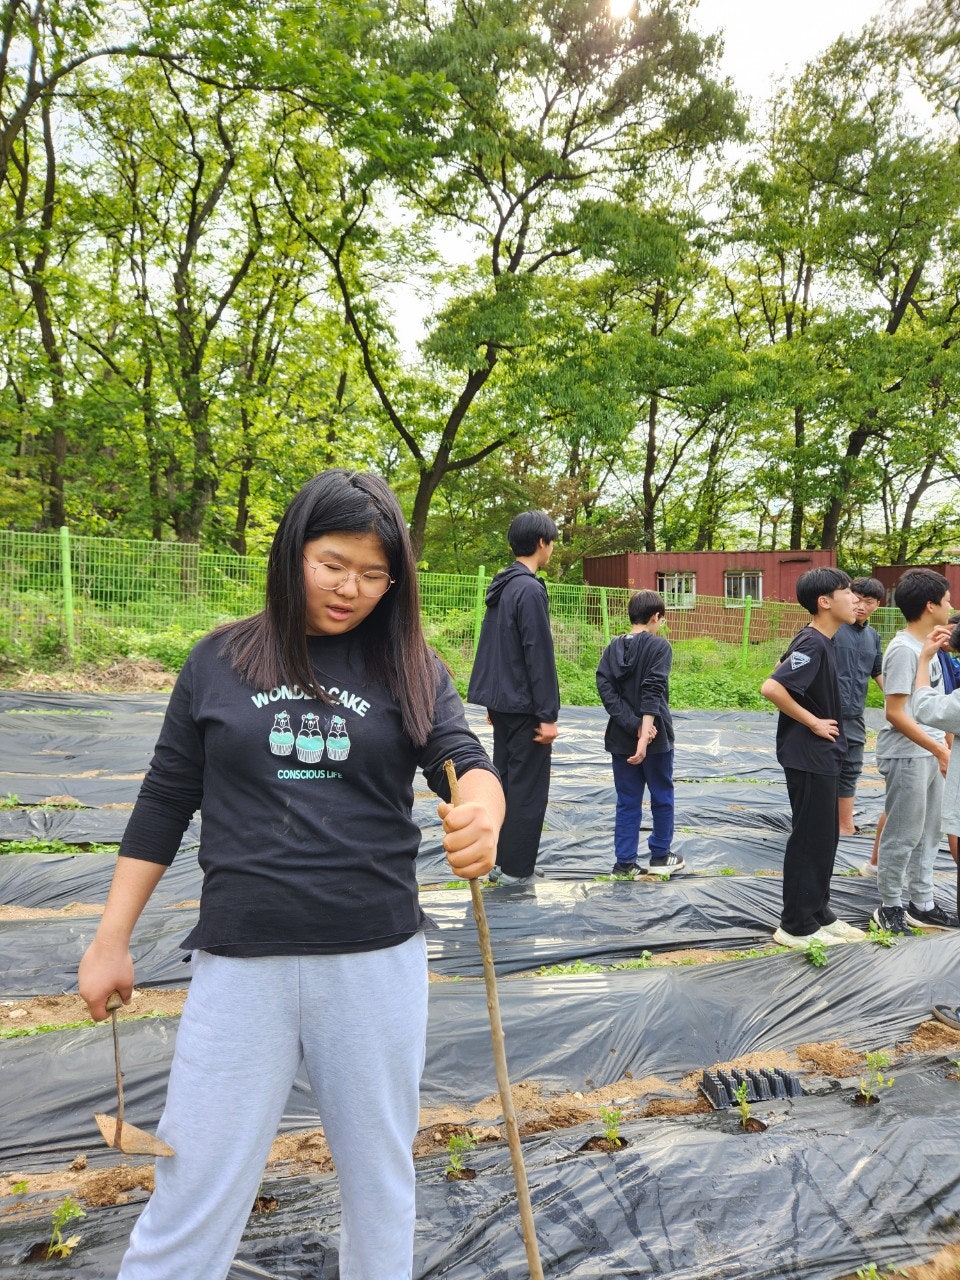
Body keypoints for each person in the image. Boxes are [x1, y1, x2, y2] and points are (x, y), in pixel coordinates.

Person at [77, 470, 504, 1280]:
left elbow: (464, 761)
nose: (352, 589)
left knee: (380, 1180)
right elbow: (167, 799)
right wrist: (111, 939)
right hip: (242, 963)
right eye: (333, 563)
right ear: (292, 552)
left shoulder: (410, 665)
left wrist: (485, 810)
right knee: (193, 1177)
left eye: (376, 575)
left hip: (373, 960)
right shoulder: (219, 661)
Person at [760, 567, 866, 949]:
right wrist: (814, 723)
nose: (855, 599)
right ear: (825, 602)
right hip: (808, 756)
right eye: (848, 592)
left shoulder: (822, 640)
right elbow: (771, 687)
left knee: (825, 837)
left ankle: (819, 912)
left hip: (822, 757)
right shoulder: (813, 642)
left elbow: (781, 669)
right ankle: (795, 924)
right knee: (810, 839)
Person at [467, 510, 560, 884]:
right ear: (541, 543)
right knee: (527, 789)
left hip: (503, 705)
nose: (552, 548)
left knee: (502, 781)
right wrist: (548, 715)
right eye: (552, 542)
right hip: (524, 708)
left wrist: (493, 700)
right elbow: (538, 653)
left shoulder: (502, 585)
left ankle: (497, 863)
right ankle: (517, 870)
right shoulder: (529, 589)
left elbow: (493, 647)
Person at [872, 567, 953, 935]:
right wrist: (938, 747)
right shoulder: (904, 650)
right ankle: (889, 905)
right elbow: (896, 712)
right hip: (908, 754)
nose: (952, 605)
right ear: (930, 605)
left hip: (932, 753)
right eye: (947, 600)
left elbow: (935, 705)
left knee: (930, 832)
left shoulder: (930, 649)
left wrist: (942, 745)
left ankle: (923, 902)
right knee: (904, 833)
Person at [596, 589, 682, 878]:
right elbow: (652, 691)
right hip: (655, 739)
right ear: (656, 617)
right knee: (661, 795)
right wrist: (644, 735)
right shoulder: (660, 647)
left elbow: (606, 692)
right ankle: (659, 855)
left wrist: (632, 727)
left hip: (620, 738)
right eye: (661, 619)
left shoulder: (612, 647)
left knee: (628, 799)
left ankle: (624, 863)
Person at [834, 577, 885, 837]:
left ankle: (844, 825)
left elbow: (878, 672)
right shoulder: (832, 628)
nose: (861, 606)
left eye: (869, 601)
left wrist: (903, 701)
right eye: (858, 598)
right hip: (826, 715)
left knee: (851, 768)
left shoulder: (872, 637)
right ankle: (821, 821)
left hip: (855, 715)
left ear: (878, 605)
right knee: (824, 769)